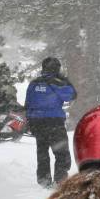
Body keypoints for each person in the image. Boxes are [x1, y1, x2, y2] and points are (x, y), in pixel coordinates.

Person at [25, 57, 76, 187]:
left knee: (42, 151)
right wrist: (66, 81)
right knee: (61, 152)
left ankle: (43, 180)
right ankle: (60, 181)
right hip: (54, 122)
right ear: (57, 68)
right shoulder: (58, 83)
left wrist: (30, 121)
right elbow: (71, 95)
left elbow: (28, 103)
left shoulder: (34, 83)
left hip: (37, 122)